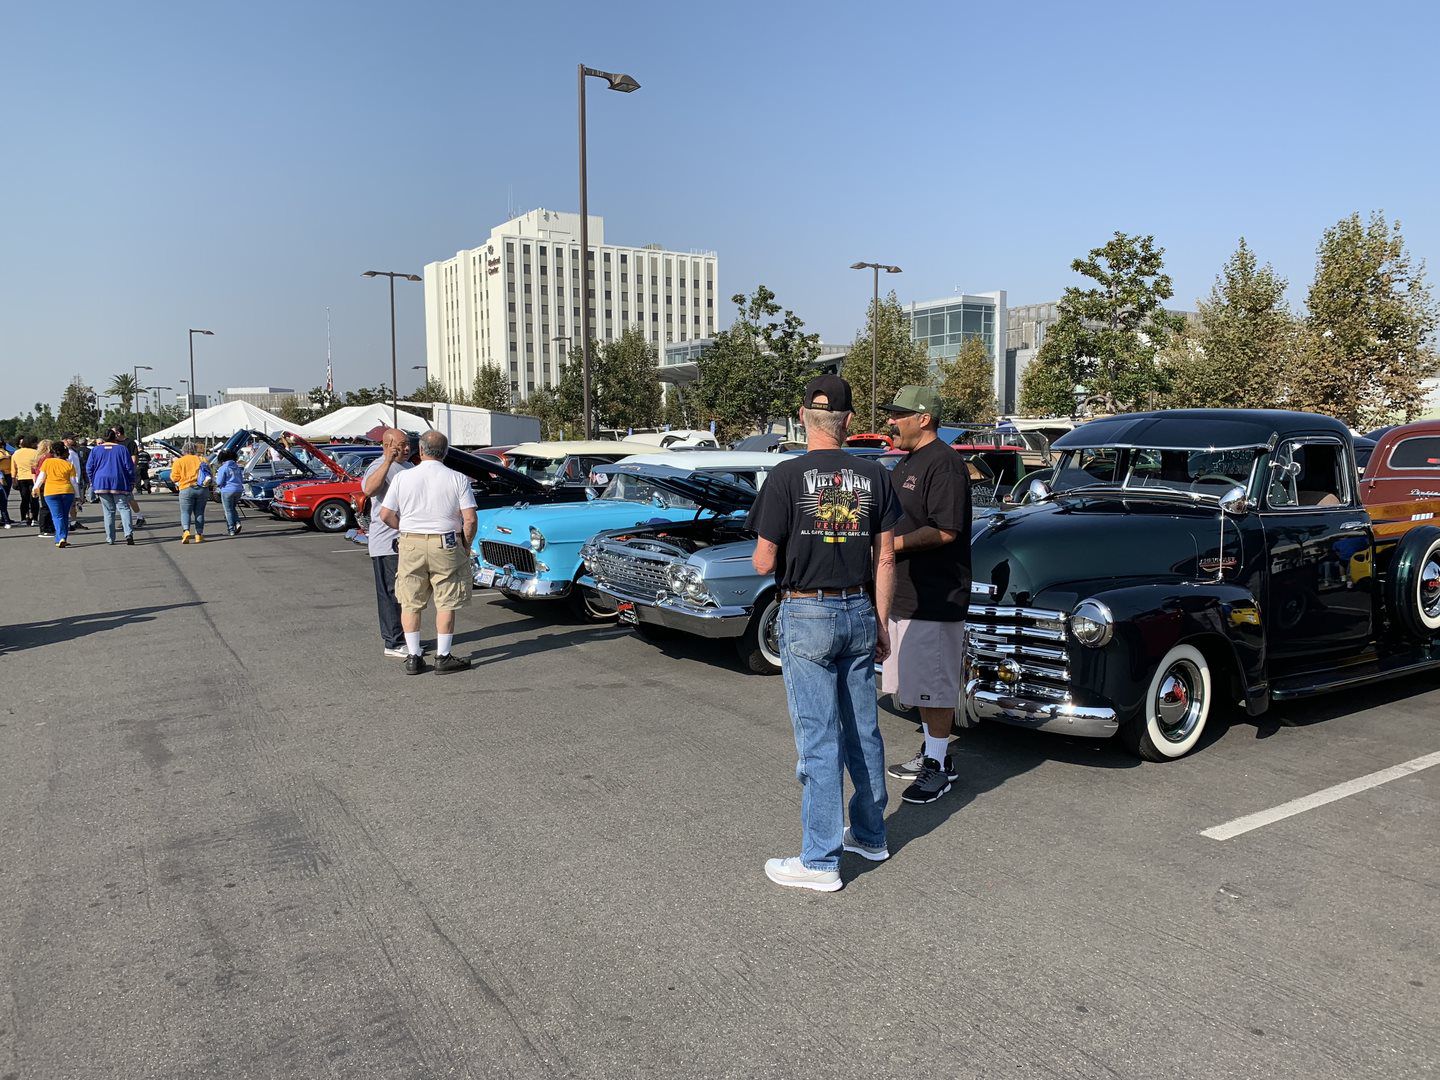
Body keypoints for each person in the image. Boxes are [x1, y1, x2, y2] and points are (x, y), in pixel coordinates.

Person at [747, 374, 901, 892]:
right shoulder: (876, 477)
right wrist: (880, 621)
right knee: (862, 728)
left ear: (800, 416)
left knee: (818, 737)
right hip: (859, 607)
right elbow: (887, 557)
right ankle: (870, 833)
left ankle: (818, 862)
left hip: (807, 610)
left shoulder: (786, 477)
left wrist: (778, 553)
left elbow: (764, 558)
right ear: (849, 422)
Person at [877, 386, 973, 804]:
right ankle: (932, 754)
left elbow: (946, 529)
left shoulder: (946, 464)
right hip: (906, 594)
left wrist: (890, 547)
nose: (890, 421)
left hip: (935, 597)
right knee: (914, 685)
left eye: (898, 415)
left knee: (934, 686)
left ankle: (938, 766)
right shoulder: (908, 463)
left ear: (924, 418)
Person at [377, 430, 476, 675]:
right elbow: (470, 519)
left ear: (420, 450)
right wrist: (466, 543)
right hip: (446, 542)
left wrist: (407, 529)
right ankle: (443, 656)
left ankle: (413, 656)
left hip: (411, 542)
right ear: (445, 452)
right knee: (446, 599)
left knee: (410, 600)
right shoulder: (458, 478)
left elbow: (385, 514)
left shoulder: (403, 478)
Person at [363, 428, 419, 658]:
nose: (406, 449)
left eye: (408, 445)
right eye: (401, 445)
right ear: (387, 445)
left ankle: (406, 637)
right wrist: (386, 461)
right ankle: (393, 642)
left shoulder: (410, 467)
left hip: (408, 538)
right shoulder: (377, 466)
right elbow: (369, 490)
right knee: (389, 592)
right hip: (386, 541)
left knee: (407, 592)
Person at [86, 428, 137, 545]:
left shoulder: (95, 450)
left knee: (108, 511)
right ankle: (128, 533)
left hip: (101, 482)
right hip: (119, 482)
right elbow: (129, 467)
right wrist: (131, 481)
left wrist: (93, 481)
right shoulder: (122, 449)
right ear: (115, 437)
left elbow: (89, 468)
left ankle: (110, 537)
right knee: (124, 508)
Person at [32, 438, 78, 548]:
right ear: (64, 452)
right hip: (67, 492)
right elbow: (74, 482)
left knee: (57, 516)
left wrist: (35, 488)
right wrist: (78, 496)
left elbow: (41, 477)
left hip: (51, 492)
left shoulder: (47, 462)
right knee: (64, 515)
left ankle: (60, 538)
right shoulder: (69, 465)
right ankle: (61, 538)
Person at [171, 441, 209, 543]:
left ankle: (186, 531)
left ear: (183, 450)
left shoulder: (179, 461)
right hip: (202, 488)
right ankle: (199, 535)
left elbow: (174, 478)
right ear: (194, 450)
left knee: (185, 512)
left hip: (186, 488)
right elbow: (210, 474)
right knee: (199, 512)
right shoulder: (202, 459)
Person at [114, 426, 147, 526]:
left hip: (126, 474)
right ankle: (128, 518)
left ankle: (138, 517)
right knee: (121, 499)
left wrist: (130, 472)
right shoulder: (115, 443)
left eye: (113, 433)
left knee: (128, 497)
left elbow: (134, 460)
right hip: (117, 474)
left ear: (118, 433)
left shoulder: (130, 443)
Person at [215, 450, 245, 535]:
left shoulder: (223, 468)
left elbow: (219, 482)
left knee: (228, 510)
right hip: (238, 490)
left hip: (227, 490)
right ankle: (237, 523)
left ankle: (231, 529)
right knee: (232, 508)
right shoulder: (237, 467)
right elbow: (241, 479)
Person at [62, 434, 88, 531]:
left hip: (77, 479)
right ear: (65, 440)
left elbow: (78, 466)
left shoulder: (73, 450)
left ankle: (73, 521)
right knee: (70, 503)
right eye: (72, 438)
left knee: (75, 503)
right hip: (71, 480)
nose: (74, 440)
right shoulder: (64, 452)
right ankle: (68, 522)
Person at [12, 436, 38, 527]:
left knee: (24, 499)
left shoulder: (16, 453)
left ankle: (24, 518)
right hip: (33, 478)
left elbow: (14, 467)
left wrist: (13, 478)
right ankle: (34, 518)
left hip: (21, 478)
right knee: (34, 499)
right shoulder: (35, 453)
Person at [0, 440, 12, 528]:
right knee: (2, 496)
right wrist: (3, 458)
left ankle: (4, 517)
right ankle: (5, 518)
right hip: (1, 474)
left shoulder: (5, 449)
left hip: (8, 474)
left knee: (5, 497)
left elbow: (14, 451)